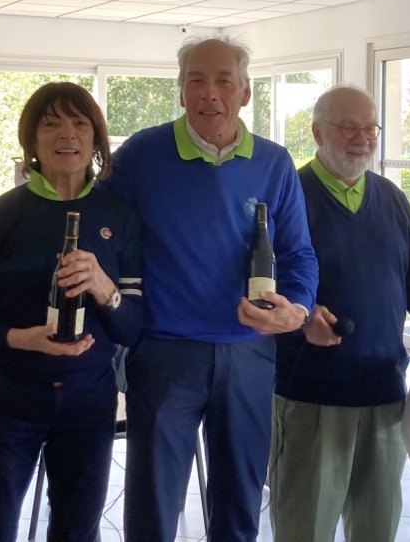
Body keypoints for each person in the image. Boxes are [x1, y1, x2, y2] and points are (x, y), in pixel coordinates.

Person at [106, 36, 319, 542]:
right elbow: (102, 231)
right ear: (181, 91)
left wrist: (298, 309)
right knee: (153, 507)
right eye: (196, 80)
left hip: (248, 354)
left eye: (224, 81)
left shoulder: (274, 162)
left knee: (240, 505)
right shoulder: (141, 155)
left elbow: (298, 255)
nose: (210, 93)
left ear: (245, 92)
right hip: (164, 353)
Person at [0, 82, 142, 542]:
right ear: (31, 140)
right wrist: (17, 338)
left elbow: (133, 330)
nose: (67, 134)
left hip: (90, 404)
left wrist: (104, 287)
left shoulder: (120, 215)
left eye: (79, 123)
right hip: (10, 402)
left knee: (76, 533)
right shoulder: (1, 216)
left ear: (95, 138)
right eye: (51, 124)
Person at [269, 84, 410, 542]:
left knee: (377, 529)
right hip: (311, 398)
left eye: (370, 129)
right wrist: (302, 318)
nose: (362, 139)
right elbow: (261, 288)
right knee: (305, 529)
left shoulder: (391, 198)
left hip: (385, 396)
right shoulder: (288, 198)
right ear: (317, 132)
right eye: (348, 128)